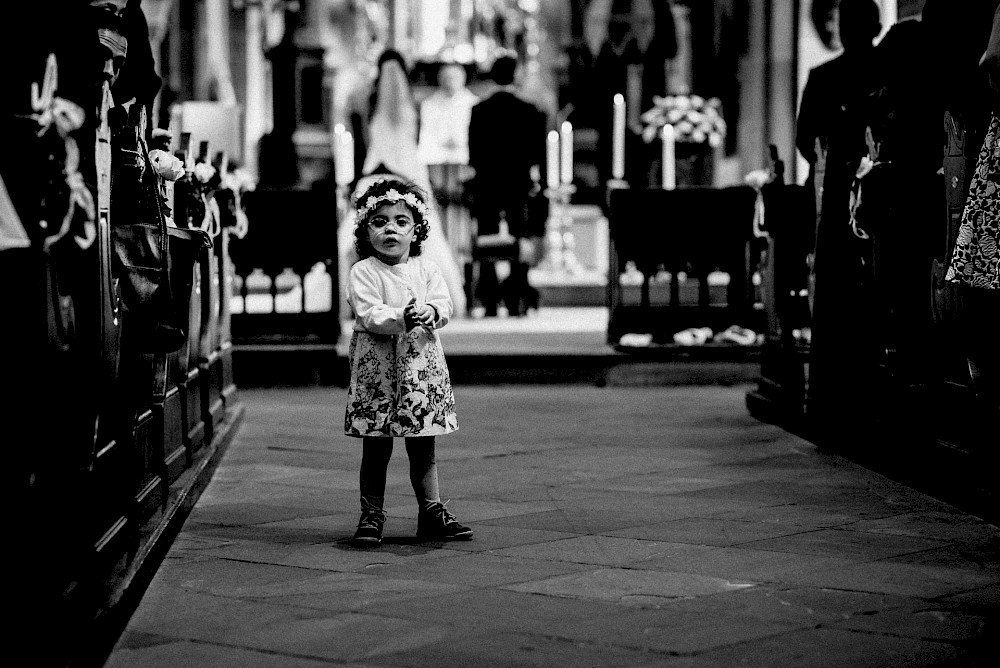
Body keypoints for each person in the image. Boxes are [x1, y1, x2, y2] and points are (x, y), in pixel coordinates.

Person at [344, 176, 472, 545]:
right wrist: (403, 317)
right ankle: (371, 514)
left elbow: (442, 302)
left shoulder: (426, 269)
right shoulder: (363, 271)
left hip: (419, 368)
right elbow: (369, 313)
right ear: (366, 230)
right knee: (377, 445)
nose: (391, 230)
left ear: (416, 231)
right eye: (380, 221)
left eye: (401, 222)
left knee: (423, 444)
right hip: (378, 371)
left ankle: (431, 511)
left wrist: (433, 313)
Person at [349, 49, 468, 318]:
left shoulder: (369, 100)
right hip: (405, 173)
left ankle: (369, 295)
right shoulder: (413, 102)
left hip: (374, 174)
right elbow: (413, 142)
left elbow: (367, 141)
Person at [468, 55, 548, 317]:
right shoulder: (530, 110)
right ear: (515, 76)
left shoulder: (479, 110)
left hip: (487, 185)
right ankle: (517, 298)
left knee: (487, 235)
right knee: (519, 236)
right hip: (519, 185)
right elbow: (538, 153)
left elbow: (474, 153)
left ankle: (489, 299)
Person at [418, 63, 479, 269]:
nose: (450, 82)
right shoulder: (430, 105)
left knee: (463, 223)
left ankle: (464, 264)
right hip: (437, 167)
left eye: (455, 77)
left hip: (464, 168)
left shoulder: (473, 104)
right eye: (447, 78)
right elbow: (426, 138)